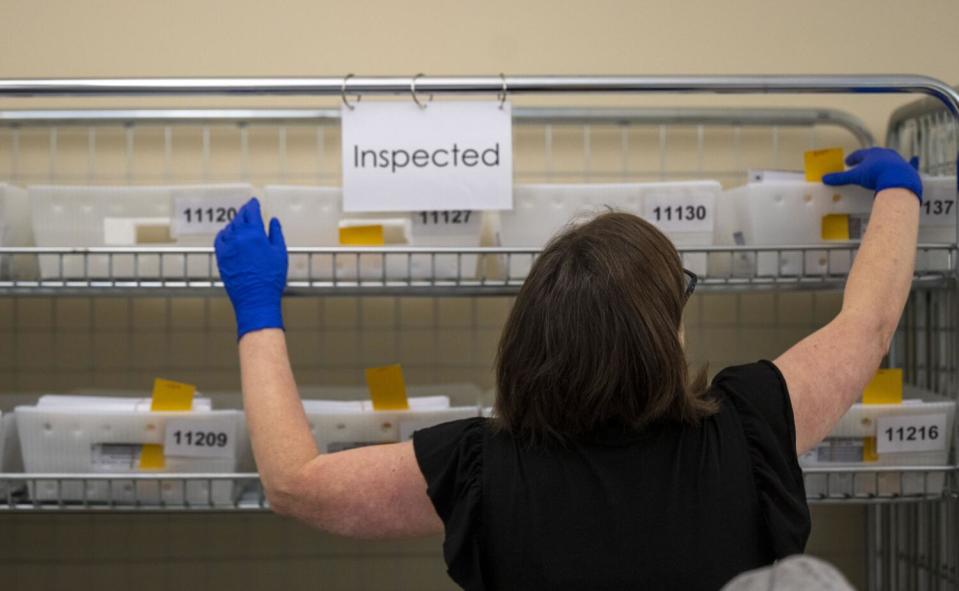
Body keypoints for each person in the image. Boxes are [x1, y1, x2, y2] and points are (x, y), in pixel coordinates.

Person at [214, 147, 922, 590]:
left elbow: (294, 483)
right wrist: (897, 192)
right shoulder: (750, 423)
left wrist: (256, 308)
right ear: (663, 332)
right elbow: (867, 323)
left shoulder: (480, 466)